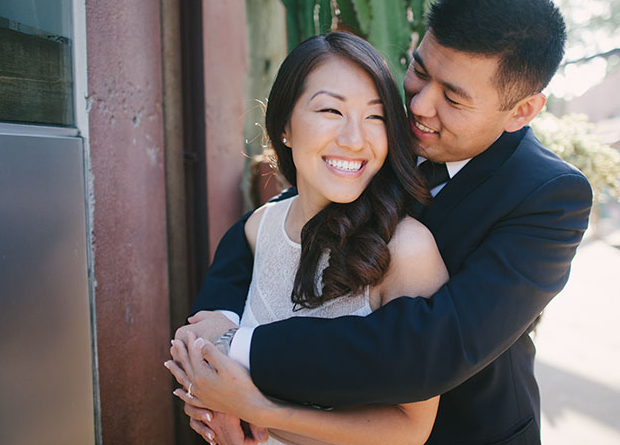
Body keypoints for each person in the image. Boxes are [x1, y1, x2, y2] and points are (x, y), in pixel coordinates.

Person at [176, 0, 594, 445]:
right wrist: (221, 319)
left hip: (466, 430)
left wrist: (241, 351)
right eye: (419, 70)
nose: (419, 105)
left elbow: (436, 345)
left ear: (522, 110)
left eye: (453, 97)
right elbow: (281, 216)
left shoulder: (549, 196)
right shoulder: (390, 127)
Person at [168, 31, 449, 445]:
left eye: (375, 117)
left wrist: (252, 412)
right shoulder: (256, 229)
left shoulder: (407, 250)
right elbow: (197, 356)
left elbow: (411, 429)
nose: (355, 139)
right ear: (284, 127)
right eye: (331, 110)